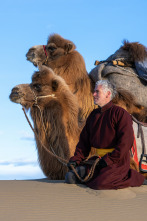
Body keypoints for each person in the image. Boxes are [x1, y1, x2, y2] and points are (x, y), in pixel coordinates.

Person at [65, 80, 145, 189]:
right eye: (94, 91)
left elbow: (125, 143)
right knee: (70, 177)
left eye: (97, 92)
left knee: (100, 184)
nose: (93, 94)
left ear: (108, 94)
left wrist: (109, 160)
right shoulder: (93, 115)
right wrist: (76, 159)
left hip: (116, 162)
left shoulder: (120, 114)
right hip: (97, 161)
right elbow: (84, 142)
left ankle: (133, 177)